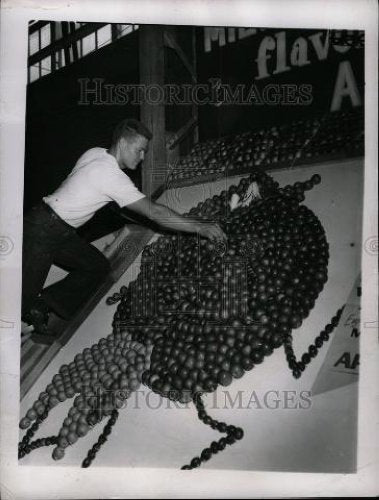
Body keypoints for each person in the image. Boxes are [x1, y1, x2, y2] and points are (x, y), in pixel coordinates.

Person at [22, 119, 226, 336]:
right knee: (18, 302)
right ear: (122, 143)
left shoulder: (96, 154)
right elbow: (155, 212)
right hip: (42, 229)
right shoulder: (112, 176)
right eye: (139, 150)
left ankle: (42, 305)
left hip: (57, 227)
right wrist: (199, 228)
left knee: (96, 267)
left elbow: (105, 199)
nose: (142, 157)